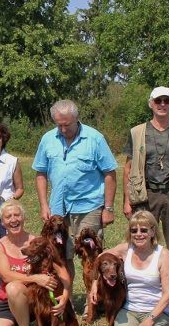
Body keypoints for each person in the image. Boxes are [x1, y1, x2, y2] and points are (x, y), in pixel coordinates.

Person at [121, 87, 169, 307]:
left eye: (166, 101)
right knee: (141, 242)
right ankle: (140, 292)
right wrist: (126, 200)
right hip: (145, 194)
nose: (162, 104)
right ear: (150, 104)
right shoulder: (137, 132)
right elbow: (127, 168)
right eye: (158, 101)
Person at [32, 99, 118, 278]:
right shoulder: (47, 139)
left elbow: (110, 173)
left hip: (89, 206)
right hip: (58, 209)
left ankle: (92, 302)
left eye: (67, 125)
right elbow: (41, 173)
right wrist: (43, 205)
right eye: (59, 125)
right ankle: (66, 300)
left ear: (77, 119)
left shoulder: (95, 138)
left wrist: (108, 208)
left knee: (91, 256)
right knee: (60, 255)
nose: (63, 130)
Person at [0, 200, 71, 326]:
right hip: (7, 301)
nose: (13, 219)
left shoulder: (38, 242)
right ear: (2, 223)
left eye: (17, 215)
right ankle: (13, 324)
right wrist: (36, 278)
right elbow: (6, 276)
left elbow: (62, 271)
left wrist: (65, 295)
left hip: (37, 301)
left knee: (14, 287)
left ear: (23, 218)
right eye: (8, 217)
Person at [93, 211, 169, 326]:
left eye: (144, 230)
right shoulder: (126, 249)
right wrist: (95, 284)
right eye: (134, 230)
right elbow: (100, 257)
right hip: (130, 309)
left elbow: (168, 294)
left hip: (156, 311)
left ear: (152, 231)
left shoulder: (163, 254)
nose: (138, 234)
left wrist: (149, 320)